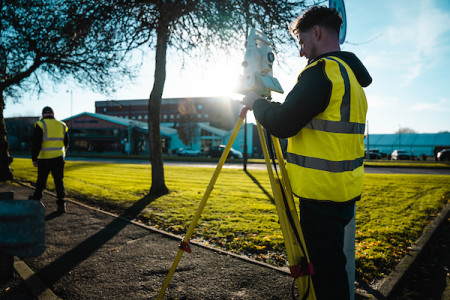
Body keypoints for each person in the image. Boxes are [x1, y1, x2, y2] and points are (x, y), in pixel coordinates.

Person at [242, 6, 372, 300]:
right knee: (332, 268)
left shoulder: (321, 73)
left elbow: (284, 123)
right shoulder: (350, 77)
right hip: (343, 191)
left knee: (327, 277)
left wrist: (256, 104)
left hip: (320, 196)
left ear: (316, 32)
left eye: (301, 42)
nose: (301, 52)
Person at [29, 106, 69, 213]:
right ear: (53, 114)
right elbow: (66, 143)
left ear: (43, 115)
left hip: (44, 158)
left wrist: (34, 158)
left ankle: (36, 202)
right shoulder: (62, 125)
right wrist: (62, 153)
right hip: (59, 158)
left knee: (41, 181)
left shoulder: (40, 124)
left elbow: (36, 144)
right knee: (59, 181)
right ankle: (61, 204)